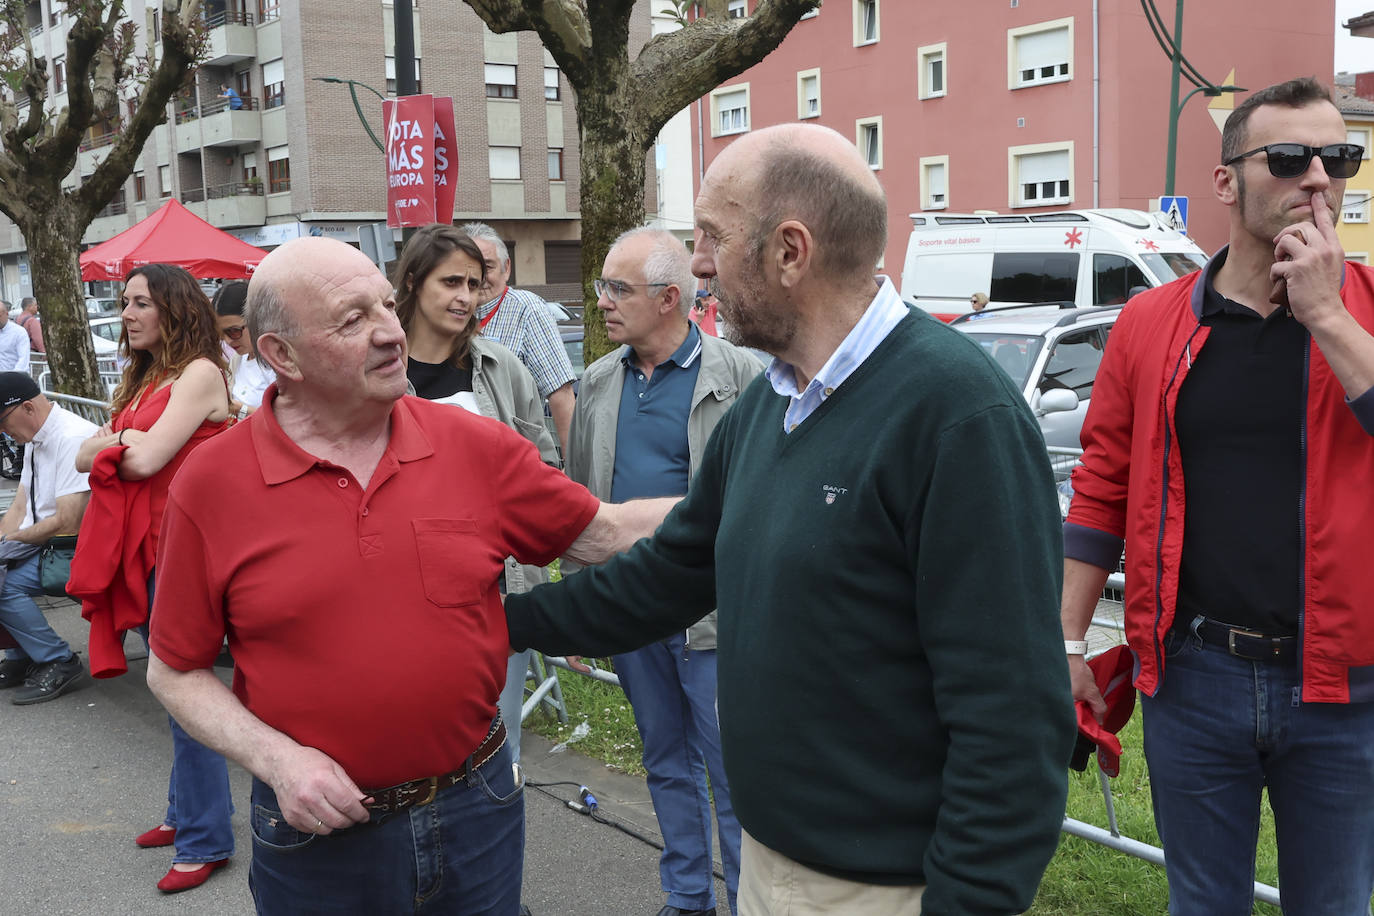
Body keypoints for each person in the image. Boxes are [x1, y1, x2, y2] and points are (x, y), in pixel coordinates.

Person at [505, 123, 1074, 914]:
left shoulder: (956, 415)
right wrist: (501, 622)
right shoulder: (771, 404)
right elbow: (666, 578)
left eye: (711, 236)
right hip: (773, 870)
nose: (697, 263)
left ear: (789, 250)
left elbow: (1011, 720)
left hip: (884, 890)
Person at [142, 236, 677, 915]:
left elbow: (606, 532)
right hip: (319, 834)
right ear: (279, 354)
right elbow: (173, 668)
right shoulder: (214, 483)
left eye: (386, 307)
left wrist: (745, 491)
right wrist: (278, 763)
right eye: (352, 319)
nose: (391, 333)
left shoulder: (473, 444)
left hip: (476, 805)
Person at [1062, 76, 1374, 916]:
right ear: (1227, 180)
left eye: (1338, 156)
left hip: (1345, 688)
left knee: (1337, 904)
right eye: (1288, 157)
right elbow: (1101, 486)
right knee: (1202, 905)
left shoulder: (1368, 310)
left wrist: (1330, 319)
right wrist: (1064, 642)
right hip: (1194, 677)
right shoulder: (1150, 323)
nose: (1318, 176)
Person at [572, 227, 761, 916]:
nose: (603, 304)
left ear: (670, 298)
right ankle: (687, 898)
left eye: (618, 289)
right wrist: (583, 598)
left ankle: (746, 902)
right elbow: (582, 496)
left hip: (713, 616)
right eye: (602, 287)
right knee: (663, 760)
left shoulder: (740, 376)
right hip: (629, 609)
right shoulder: (598, 380)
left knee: (731, 772)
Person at [69, 264, 234, 895]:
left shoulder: (199, 373)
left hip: (189, 555)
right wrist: (119, 440)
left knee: (185, 689)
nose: (127, 312)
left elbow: (140, 462)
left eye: (140, 302)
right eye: (124, 301)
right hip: (152, 553)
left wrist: (119, 442)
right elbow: (87, 453)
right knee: (173, 688)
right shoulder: (148, 376)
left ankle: (205, 837)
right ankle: (186, 813)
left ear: (174, 308)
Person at [393, 223, 558, 771]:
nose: (465, 297)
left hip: (497, 587)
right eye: (450, 282)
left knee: (498, 748)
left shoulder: (500, 368)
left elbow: (543, 467)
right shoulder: (377, 373)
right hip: (401, 587)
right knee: (411, 741)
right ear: (414, 282)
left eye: (474, 283)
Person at [0, 373, 95, 704]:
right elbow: (20, 506)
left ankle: (59, 660)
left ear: (27, 407)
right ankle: (22, 654)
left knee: (4, 584)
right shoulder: (36, 436)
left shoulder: (71, 437)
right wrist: (3, 542)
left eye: (2, 421)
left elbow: (68, 521)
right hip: (46, 545)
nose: (2, 432)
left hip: (76, 549)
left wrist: (11, 541)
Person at [460, 222, 578, 455]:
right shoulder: (453, 311)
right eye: (470, 268)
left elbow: (560, 393)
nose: (479, 277)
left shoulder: (527, 309)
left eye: (489, 267)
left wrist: (575, 471)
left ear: (507, 268)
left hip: (514, 457)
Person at [213, 280, 275, 419]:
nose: (228, 340)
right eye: (220, 334)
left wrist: (239, 409)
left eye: (234, 331)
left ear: (257, 320)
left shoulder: (278, 363)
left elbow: (286, 421)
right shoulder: (238, 358)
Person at [0, 305, 31, 373]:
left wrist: (12, 376)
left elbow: (23, 359)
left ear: (7, 314)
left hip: (14, 378)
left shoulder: (19, 332)